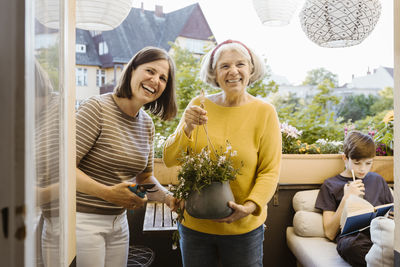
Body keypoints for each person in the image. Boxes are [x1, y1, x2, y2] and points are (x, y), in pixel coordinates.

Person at [163, 40, 282, 267]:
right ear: (215, 73)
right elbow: (169, 158)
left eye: (240, 64)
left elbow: (270, 170)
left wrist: (249, 207)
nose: (233, 71)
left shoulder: (265, 112)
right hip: (194, 226)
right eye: (225, 66)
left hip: (243, 229)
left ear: (251, 69)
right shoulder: (199, 105)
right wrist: (187, 127)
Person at [75, 46, 178, 267]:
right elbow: (62, 167)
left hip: (119, 223)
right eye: (150, 71)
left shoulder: (147, 124)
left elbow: (145, 178)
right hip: (83, 222)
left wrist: (171, 198)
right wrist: (107, 193)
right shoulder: (97, 108)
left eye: (163, 78)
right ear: (132, 70)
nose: (155, 80)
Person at [315, 130, 393, 267]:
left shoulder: (377, 180)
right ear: (345, 158)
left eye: (368, 163)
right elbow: (329, 232)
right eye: (357, 163)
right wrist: (346, 198)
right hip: (353, 239)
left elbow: (391, 211)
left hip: (381, 234)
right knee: (351, 247)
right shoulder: (331, 185)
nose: (363, 169)